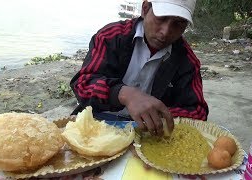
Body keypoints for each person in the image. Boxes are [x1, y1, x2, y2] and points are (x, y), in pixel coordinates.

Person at [70, 0, 208, 136]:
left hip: (147, 133)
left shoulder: (187, 61)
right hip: (95, 121)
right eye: (161, 18)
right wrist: (125, 94)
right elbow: (82, 84)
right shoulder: (111, 36)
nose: (165, 32)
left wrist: (158, 113)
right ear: (145, 8)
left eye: (178, 23)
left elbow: (198, 112)